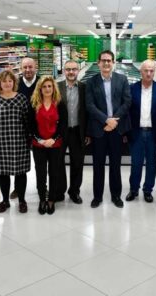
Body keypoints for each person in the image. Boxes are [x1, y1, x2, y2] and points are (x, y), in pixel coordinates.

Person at [86, 50, 131, 209]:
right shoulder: (91, 82)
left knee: (115, 165)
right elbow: (90, 105)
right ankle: (97, 196)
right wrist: (106, 120)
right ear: (98, 63)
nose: (106, 63)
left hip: (116, 130)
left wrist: (114, 121)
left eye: (109, 60)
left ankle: (116, 195)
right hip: (99, 129)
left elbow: (127, 102)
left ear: (113, 63)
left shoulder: (122, 79)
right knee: (97, 165)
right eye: (103, 60)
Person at [0, 71, 31, 214]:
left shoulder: (22, 99)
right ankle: (5, 200)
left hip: (19, 142)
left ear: (14, 83)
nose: (7, 84)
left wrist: (29, 139)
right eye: (4, 81)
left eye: (10, 81)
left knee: (20, 173)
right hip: (1, 143)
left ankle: (22, 200)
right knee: (3, 173)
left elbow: (27, 121)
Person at [127, 60, 156, 203]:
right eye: (146, 70)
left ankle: (148, 190)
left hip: (153, 133)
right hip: (136, 132)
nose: (149, 73)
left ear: (154, 72)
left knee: (151, 163)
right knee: (135, 163)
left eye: (151, 71)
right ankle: (133, 189)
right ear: (140, 71)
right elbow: (127, 112)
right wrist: (126, 132)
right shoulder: (132, 89)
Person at [29, 76, 67, 215]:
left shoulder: (59, 103)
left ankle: (51, 199)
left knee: (54, 173)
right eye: (44, 86)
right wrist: (40, 140)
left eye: (49, 86)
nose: (47, 89)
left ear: (53, 88)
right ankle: (42, 199)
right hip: (38, 145)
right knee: (40, 174)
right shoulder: (34, 104)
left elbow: (63, 124)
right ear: (40, 88)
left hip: (55, 144)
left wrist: (53, 139)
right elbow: (31, 125)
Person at [57, 60, 89, 204]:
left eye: (74, 69)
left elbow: (87, 113)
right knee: (59, 162)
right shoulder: (57, 87)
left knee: (77, 163)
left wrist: (87, 133)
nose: (71, 72)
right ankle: (60, 190)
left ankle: (74, 191)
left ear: (78, 71)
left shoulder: (84, 88)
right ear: (64, 71)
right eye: (68, 69)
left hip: (77, 131)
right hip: (60, 132)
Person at [12, 57, 38, 200]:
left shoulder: (42, 83)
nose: (28, 70)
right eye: (25, 67)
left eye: (30, 67)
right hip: (19, 130)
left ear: (35, 67)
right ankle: (17, 188)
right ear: (21, 69)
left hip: (39, 129)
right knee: (18, 161)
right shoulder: (16, 84)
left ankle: (42, 187)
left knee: (40, 162)